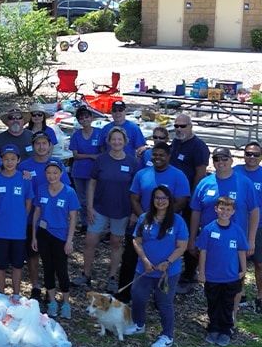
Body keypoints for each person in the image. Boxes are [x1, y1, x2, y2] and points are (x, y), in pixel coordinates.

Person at [114, 142, 192, 301]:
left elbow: (181, 201)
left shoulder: (178, 175)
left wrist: (162, 218)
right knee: (130, 258)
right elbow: (134, 198)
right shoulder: (142, 174)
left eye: (161, 155)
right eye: (154, 155)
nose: (157, 158)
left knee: (162, 260)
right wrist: (145, 218)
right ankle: (124, 295)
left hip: (167, 225)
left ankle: (160, 298)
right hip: (143, 224)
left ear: (168, 157)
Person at [188, 147, 258, 306]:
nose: (220, 162)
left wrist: (251, 239)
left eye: (224, 158)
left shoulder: (244, 183)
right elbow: (196, 213)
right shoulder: (205, 183)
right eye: (217, 159)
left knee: (235, 285)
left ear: (231, 160)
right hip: (210, 244)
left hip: (235, 244)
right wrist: (192, 238)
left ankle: (231, 320)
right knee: (212, 285)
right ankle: (214, 319)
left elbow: (254, 211)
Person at [125, 185, 188, 347]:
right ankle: (139, 324)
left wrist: (167, 262)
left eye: (164, 198)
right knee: (137, 296)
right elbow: (136, 241)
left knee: (164, 303)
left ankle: (167, 335)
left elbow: (182, 246)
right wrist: (145, 260)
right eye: (157, 197)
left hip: (168, 272)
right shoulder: (145, 218)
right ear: (152, 200)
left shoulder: (177, 221)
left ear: (169, 200)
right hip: (145, 269)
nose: (160, 201)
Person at [80, 127, 140, 294]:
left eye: (119, 139)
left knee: (116, 243)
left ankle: (112, 277)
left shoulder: (132, 162)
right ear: (108, 142)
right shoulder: (101, 160)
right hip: (99, 208)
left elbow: (136, 190)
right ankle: (86, 273)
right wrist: (90, 207)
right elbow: (92, 183)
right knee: (90, 241)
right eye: (113, 139)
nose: (116, 142)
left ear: (125, 142)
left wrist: (134, 212)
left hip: (122, 210)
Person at [18, 131, 71, 300]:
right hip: (30, 218)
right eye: (37, 144)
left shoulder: (56, 165)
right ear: (33, 146)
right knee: (33, 254)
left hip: (53, 220)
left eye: (44, 143)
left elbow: (67, 191)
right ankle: (35, 286)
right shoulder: (24, 166)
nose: (41, 147)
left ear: (50, 146)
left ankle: (54, 289)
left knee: (54, 258)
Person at [196, 196, 248, 347]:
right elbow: (203, 252)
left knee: (227, 304)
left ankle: (225, 330)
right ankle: (214, 328)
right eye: (222, 208)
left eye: (228, 209)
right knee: (213, 303)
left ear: (233, 212)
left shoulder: (237, 230)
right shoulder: (208, 229)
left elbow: (241, 252)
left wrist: (243, 270)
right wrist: (202, 272)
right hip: (212, 277)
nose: (224, 212)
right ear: (216, 209)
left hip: (230, 276)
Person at [31, 160, 79, 319]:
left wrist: (69, 240)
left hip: (61, 236)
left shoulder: (69, 192)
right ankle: (52, 301)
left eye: (55, 173)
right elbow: (37, 213)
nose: (52, 176)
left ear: (61, 174)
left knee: (61, 269)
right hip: (44, 234)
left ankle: (66, 302)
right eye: (49, 173)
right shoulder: (41, 189)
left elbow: (73, 218)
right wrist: (34, 236)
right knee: (47, 267)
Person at [169, 113, 210, 295]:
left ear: (190, 126)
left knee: (188, 236)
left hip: (188, 199)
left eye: (182, 126)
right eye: (176, 126)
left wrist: (192, 197)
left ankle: (189, 274)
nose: (179, 129)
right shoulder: (176, 142)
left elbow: (200, 173)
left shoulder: (198, 146)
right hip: (173, 197)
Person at [0, 145, 33, 297]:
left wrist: (22, 216)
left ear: (18, 160)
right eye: (6, 159)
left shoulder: (24, 179)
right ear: (1, 160)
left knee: (17, 264)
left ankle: (16, 293)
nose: (9, 162)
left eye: (13, 159)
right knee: (1, 264)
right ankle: (1, 294)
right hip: (1, 229)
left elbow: (28, 202)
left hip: (18, 230)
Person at [234, 141, 262, 314]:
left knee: (259, 264)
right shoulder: (236, 171)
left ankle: (260, 296)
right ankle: (240, 293)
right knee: (238, 261)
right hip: (238, 224)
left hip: (260, 226)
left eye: (255, 154)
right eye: (248, 153)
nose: (251, 157)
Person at [68, 106, 102, 233]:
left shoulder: (99, 133)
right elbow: (75, 155)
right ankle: (84, 223)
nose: (84, 120)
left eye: (86, 116)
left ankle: (94, 222)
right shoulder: (76, 135)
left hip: (94, 171)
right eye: (81, 118)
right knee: (82, 199)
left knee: (92, 198)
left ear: (91, 118)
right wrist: (91, 156)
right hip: (79, 171)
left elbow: (103, 151)